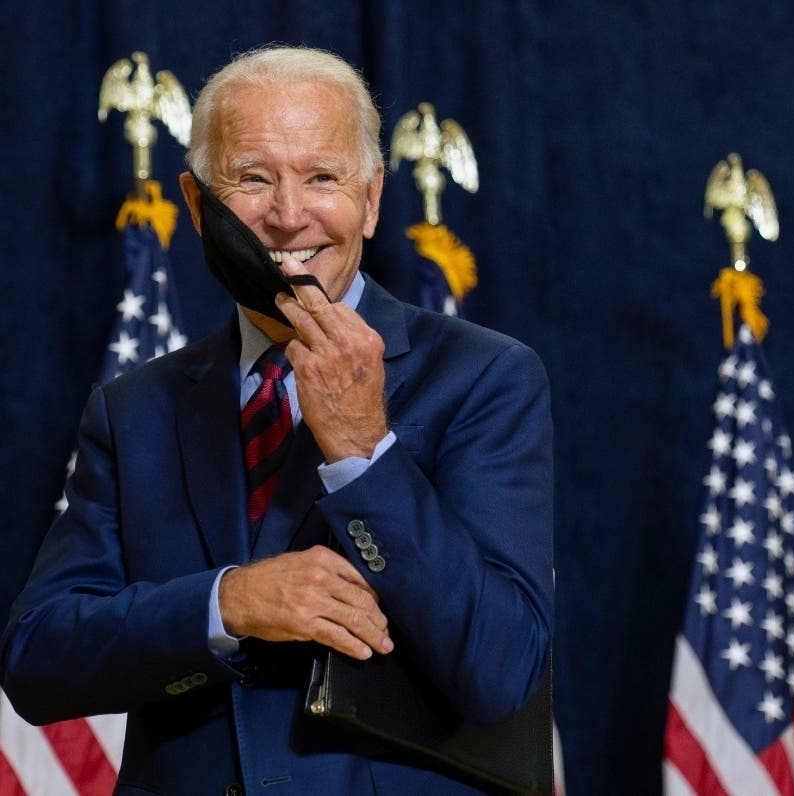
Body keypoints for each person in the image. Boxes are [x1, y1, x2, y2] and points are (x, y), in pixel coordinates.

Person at [1, 45, 553, 795]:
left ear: (372, 198)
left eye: (323, 177)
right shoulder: (135, 408)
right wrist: (228, 603)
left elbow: (502, 670)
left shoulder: (486, 378)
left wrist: (364, 452)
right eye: (253, 179)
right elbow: (36, 660)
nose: (289, 218)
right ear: (198, 205)